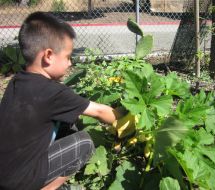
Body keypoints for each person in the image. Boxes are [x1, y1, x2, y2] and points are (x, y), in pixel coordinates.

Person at [0, 11, 133, 190]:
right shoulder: (53, 92)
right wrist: (129, 122)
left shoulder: (17, 81)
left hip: (6, 170)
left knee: (70, 121)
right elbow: (100, 112)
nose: (70, 63)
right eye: (68, 57)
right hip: (20, 181)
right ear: (48, 56)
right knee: (84, 143)